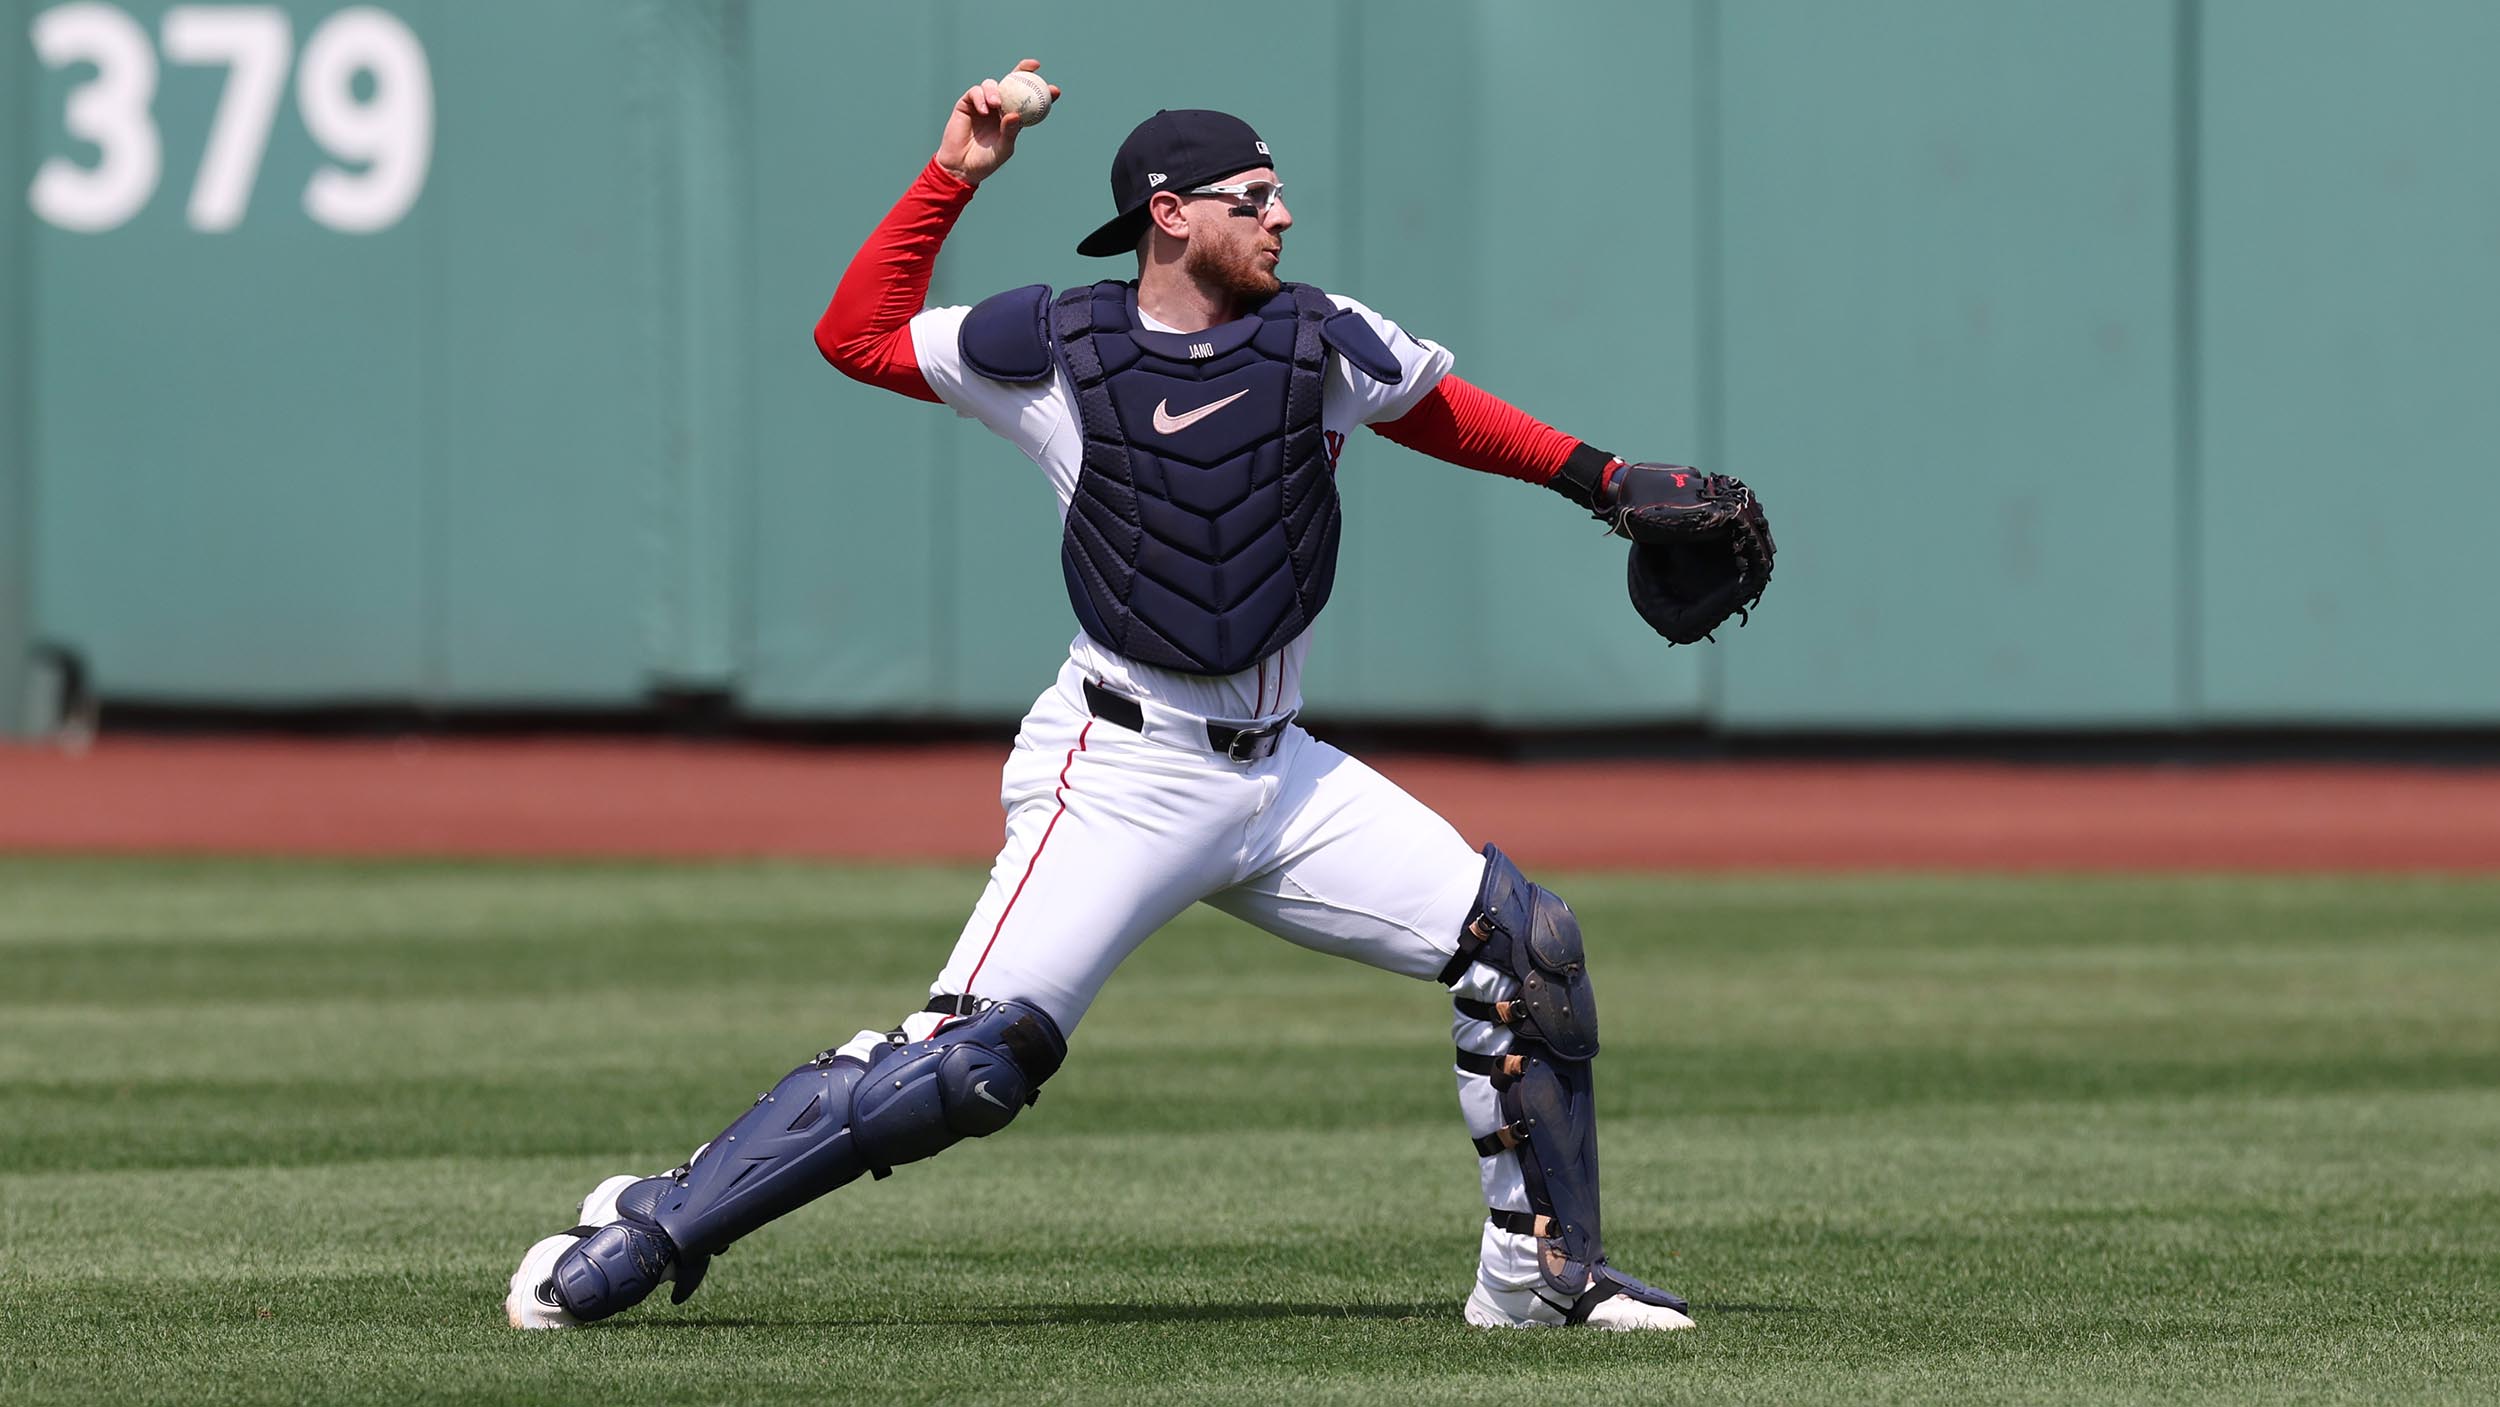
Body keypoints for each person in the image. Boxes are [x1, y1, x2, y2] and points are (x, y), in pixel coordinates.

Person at [507, 59, 1719, 1334]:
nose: (1282, 215)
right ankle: (646, 1230)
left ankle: (1541, 1279)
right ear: (1170, 212)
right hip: (1122, 770)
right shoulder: (1055, 344)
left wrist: (1601, 477)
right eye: (1253, 196)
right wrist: (953, 177)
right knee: (964, 1070)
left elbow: (1445, 416)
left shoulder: (1319, 335)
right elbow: (854, 335)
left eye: (1279, 192)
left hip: (1281, 777)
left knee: (1525, 951)